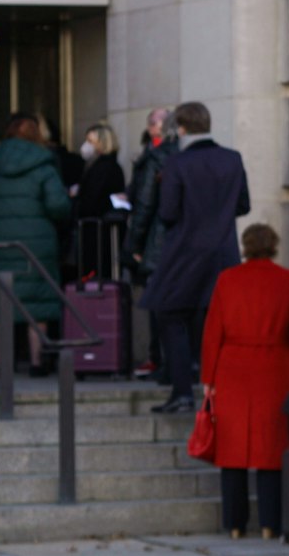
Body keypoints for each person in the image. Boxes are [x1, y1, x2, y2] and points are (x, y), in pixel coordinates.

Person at [140, 101, 249, 414]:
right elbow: (243, 204)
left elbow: (168, 212)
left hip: (185, 252)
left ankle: (182, 392)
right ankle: (216, 389)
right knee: (213, 320)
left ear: (182, 128)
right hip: (224, 252)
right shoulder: (232, 159)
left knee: (170, 315)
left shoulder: (177, 163)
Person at [201, 222, 289, 540]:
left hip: (233, 365)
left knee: (234, 447)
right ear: (274, 245)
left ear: (245, 246)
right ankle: (271, 523)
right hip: (274, 364)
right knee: (271, 446)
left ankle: (235, 524)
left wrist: (208, 377)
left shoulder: (227, 279)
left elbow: (213, 330)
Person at [0, 112, 71, 377]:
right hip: (36, 241)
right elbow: (58, 206)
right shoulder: (44, 165)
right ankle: (37, 362)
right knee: (36, 302)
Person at [126, 105, 176, 380]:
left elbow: (144, 204)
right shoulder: (174, 153)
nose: (150, 127)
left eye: (154, 122)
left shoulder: (156, 157)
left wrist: (133, 246)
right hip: (177, 242)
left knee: (157, 304)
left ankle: (159, 359)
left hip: (156, 242)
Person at [73, 122, 127, 278]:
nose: (86, 146)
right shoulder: (101, 166)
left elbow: (93, 199)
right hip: (97, 229)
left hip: (97, 231)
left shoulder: (104, 168)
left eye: (90, 141)